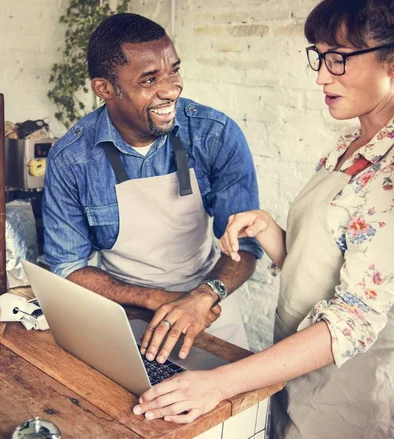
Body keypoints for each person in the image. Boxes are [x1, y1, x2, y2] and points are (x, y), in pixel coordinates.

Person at [132, 1, 394, 438]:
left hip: (354, 379)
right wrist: (267, 227)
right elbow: (324, 260)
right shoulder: (353, 142)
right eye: (319, 55)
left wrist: (219, 383)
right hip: (300, 360)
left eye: (339, 59)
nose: (321, 76)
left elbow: (354, 318)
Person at [42, 13, 263, 361]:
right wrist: (153, 298)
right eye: (149, 79)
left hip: (210, 310)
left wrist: (204, 294)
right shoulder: (71, 158)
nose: (171, 89)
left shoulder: (214, 134)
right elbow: (68, 267)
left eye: (173, 70)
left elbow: (245, 245)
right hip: (124, 312)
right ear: (104, 89)